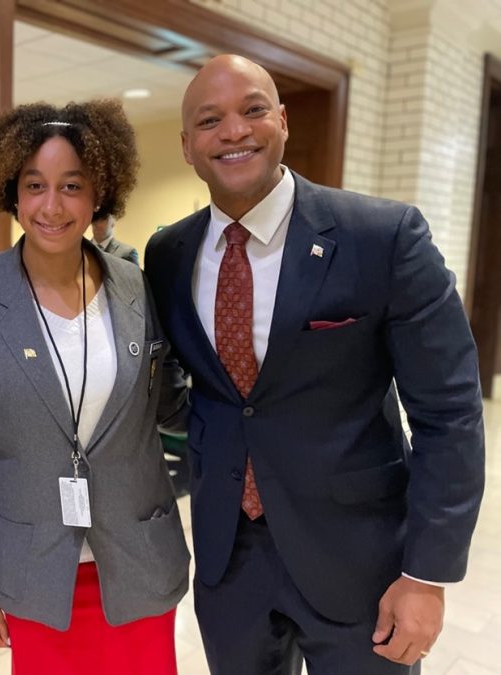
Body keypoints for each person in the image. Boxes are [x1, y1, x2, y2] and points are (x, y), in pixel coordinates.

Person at [144, 54, 485, 674]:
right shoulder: (169, 253)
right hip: (229, 560)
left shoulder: (383, 237)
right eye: (209, 120)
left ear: (282, 119)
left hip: (359, 561)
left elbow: (450, 415)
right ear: (188, 146)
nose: (234, 131)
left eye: (252, 110)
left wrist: (426, 575)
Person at [0, 100, 190, 674]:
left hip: (138, 560)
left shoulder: (137, 287)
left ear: (101, 192)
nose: (52, 205)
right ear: (12, 193)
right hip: (34, 568)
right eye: (35, 185)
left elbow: (169, 404)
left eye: (72, 185)